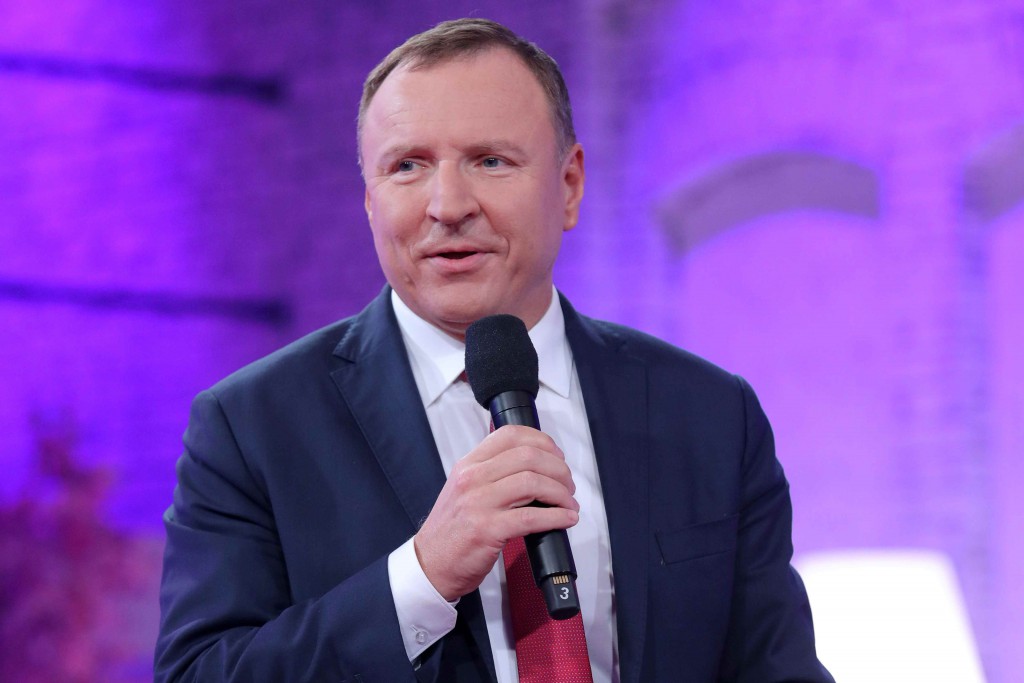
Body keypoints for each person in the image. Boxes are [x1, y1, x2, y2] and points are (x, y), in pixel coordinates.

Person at [155, 18, 834, 683]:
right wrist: (423, 575)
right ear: (369, 201)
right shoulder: (252, 427)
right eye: (407, 166)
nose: (448, 205)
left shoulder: (709, 413)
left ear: (569, 186)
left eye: (490, 161)